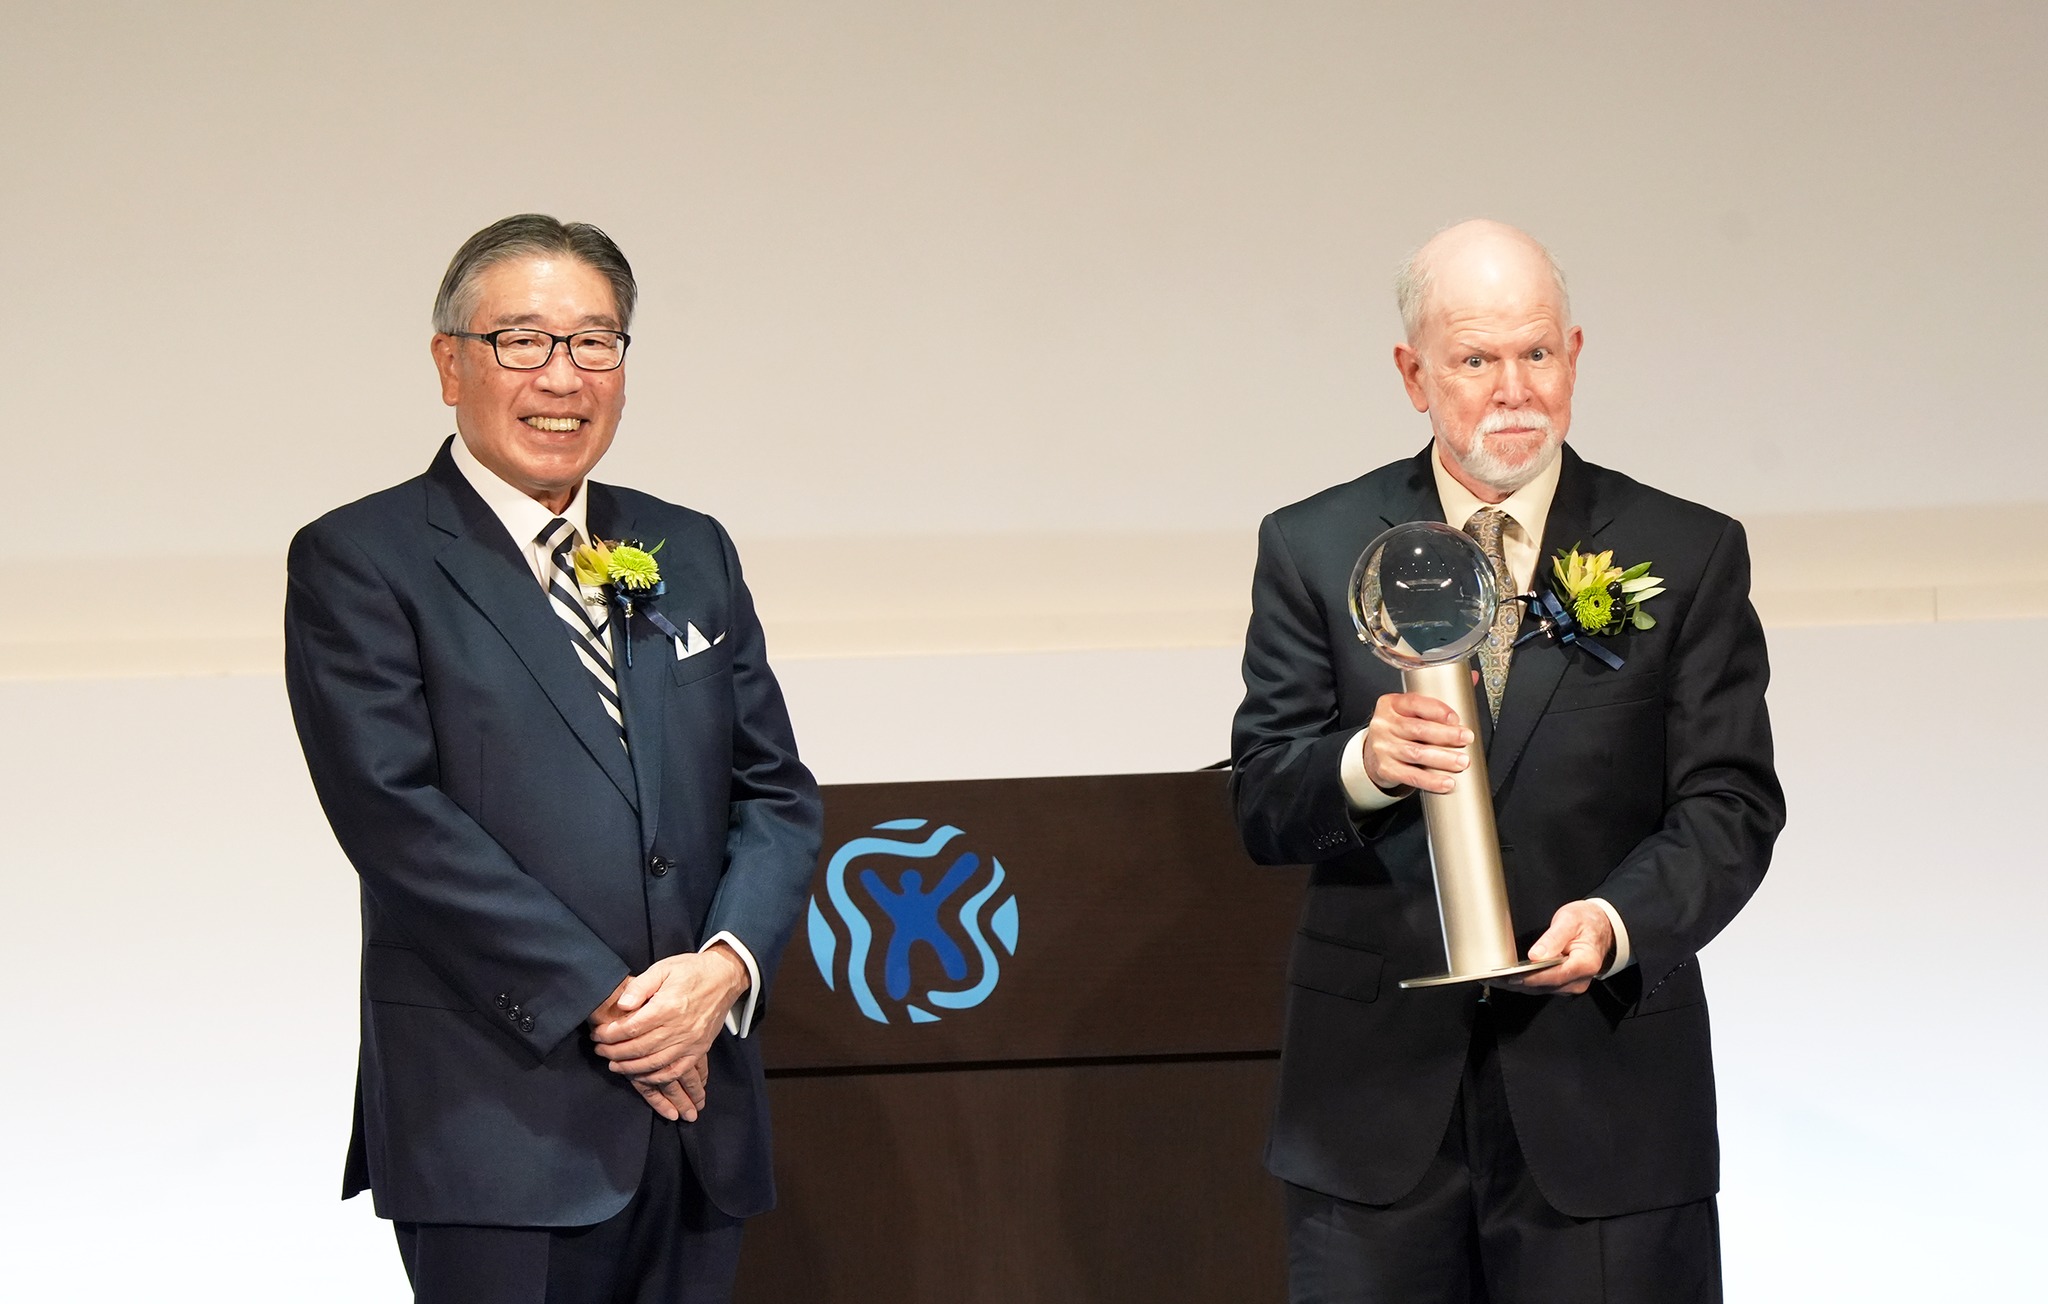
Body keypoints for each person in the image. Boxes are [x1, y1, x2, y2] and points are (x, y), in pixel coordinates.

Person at [1230, 219, 1784, 1301]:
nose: (1513, 389)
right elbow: (1260, 798)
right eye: (1476, 360)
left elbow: (1730, 803)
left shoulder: (1685, 549)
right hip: (1371, 1112)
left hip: (1605, 1095)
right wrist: (1362, 763)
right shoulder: (1312, 546)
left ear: (1573, 353)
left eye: (1536, 352)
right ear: (1413, 375)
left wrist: (1617, 922)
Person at [285, 214, 822, 1303]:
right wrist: (616, 1007)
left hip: (699, 1110)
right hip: (499, 1117)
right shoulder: (363, 557)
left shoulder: (689, 546)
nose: (562, 377)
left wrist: (720, 974)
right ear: (450, 363)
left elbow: (773, 790)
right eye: (521, 340)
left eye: (594, 342)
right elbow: (395, 817)